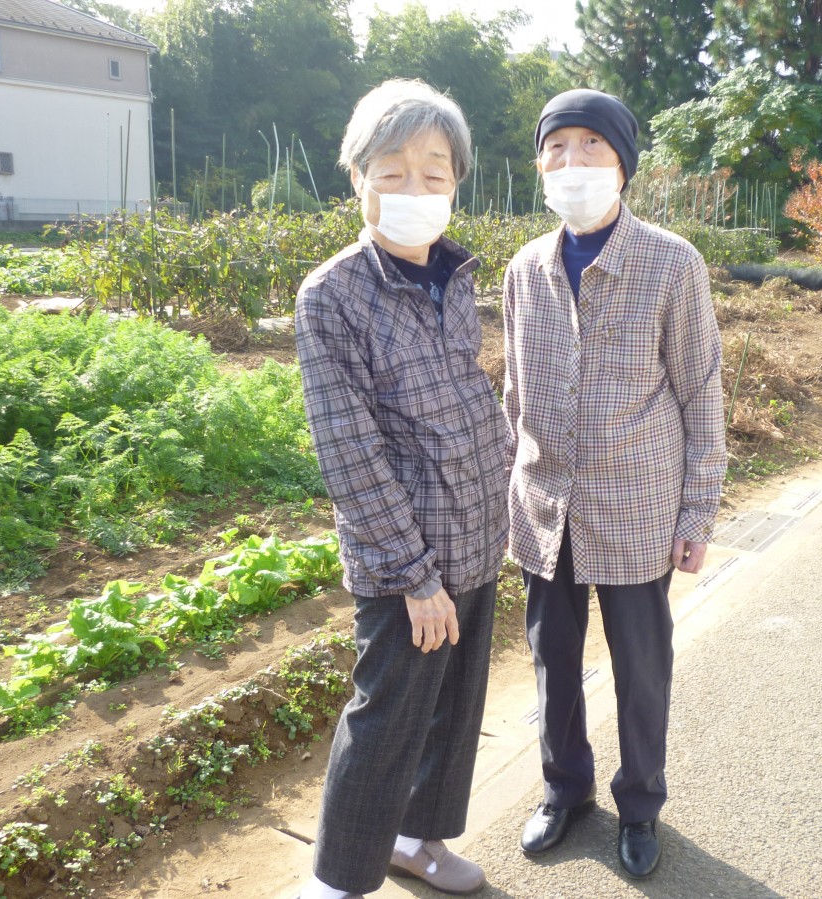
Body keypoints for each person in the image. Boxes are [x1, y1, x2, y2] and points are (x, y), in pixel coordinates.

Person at [293, 79, 508, 899]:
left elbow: (466, 395)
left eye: (434, 171)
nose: (415, 188)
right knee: (385, 719)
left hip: (475, 536)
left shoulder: (456, 276)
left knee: (453, 709)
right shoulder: (333, 295)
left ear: (456, 183)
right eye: (392, 171)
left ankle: (417, 841)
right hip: (404, 561)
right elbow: (349, 450)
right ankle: (338, 883)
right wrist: (415, 576)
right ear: (358, 179)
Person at [502, 89, 725, 879]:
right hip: (545, 506)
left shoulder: (671, 263)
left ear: (624, 164)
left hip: (637, 506)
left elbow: (700, 392)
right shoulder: (525, 268)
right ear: (540, 165)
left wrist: (697, 511)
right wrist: (510, 492)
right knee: (552, 658)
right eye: (556, 147)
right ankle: (565, 790)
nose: (573, 162)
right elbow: (515, 393)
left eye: (591, 145)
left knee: (641, 666)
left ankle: (639, 804)